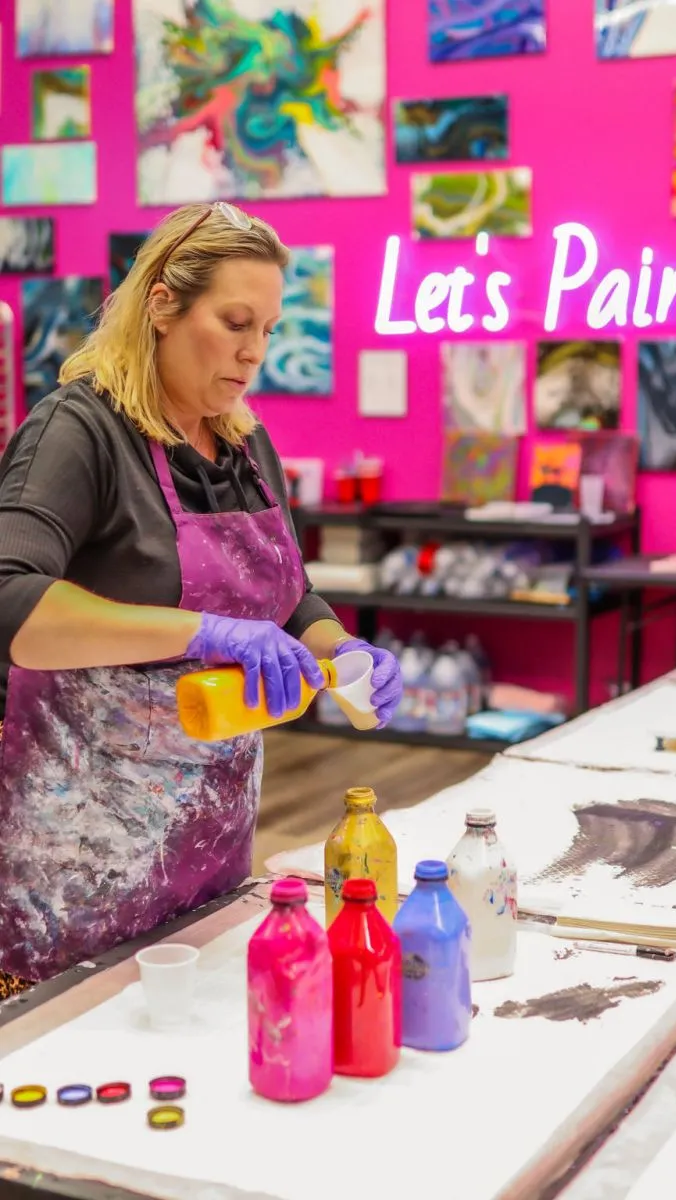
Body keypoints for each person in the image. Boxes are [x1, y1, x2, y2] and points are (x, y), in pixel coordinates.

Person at [0, 201, 402, 994]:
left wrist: (342, 650)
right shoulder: (81, 431)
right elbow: (11, 600)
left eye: (269, 330)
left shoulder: (245, 444)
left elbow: (290, 595)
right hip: (77, 858)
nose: (255, 352)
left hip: (210, 841)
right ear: (162, 305)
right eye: (235, 322)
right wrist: (203, 632)